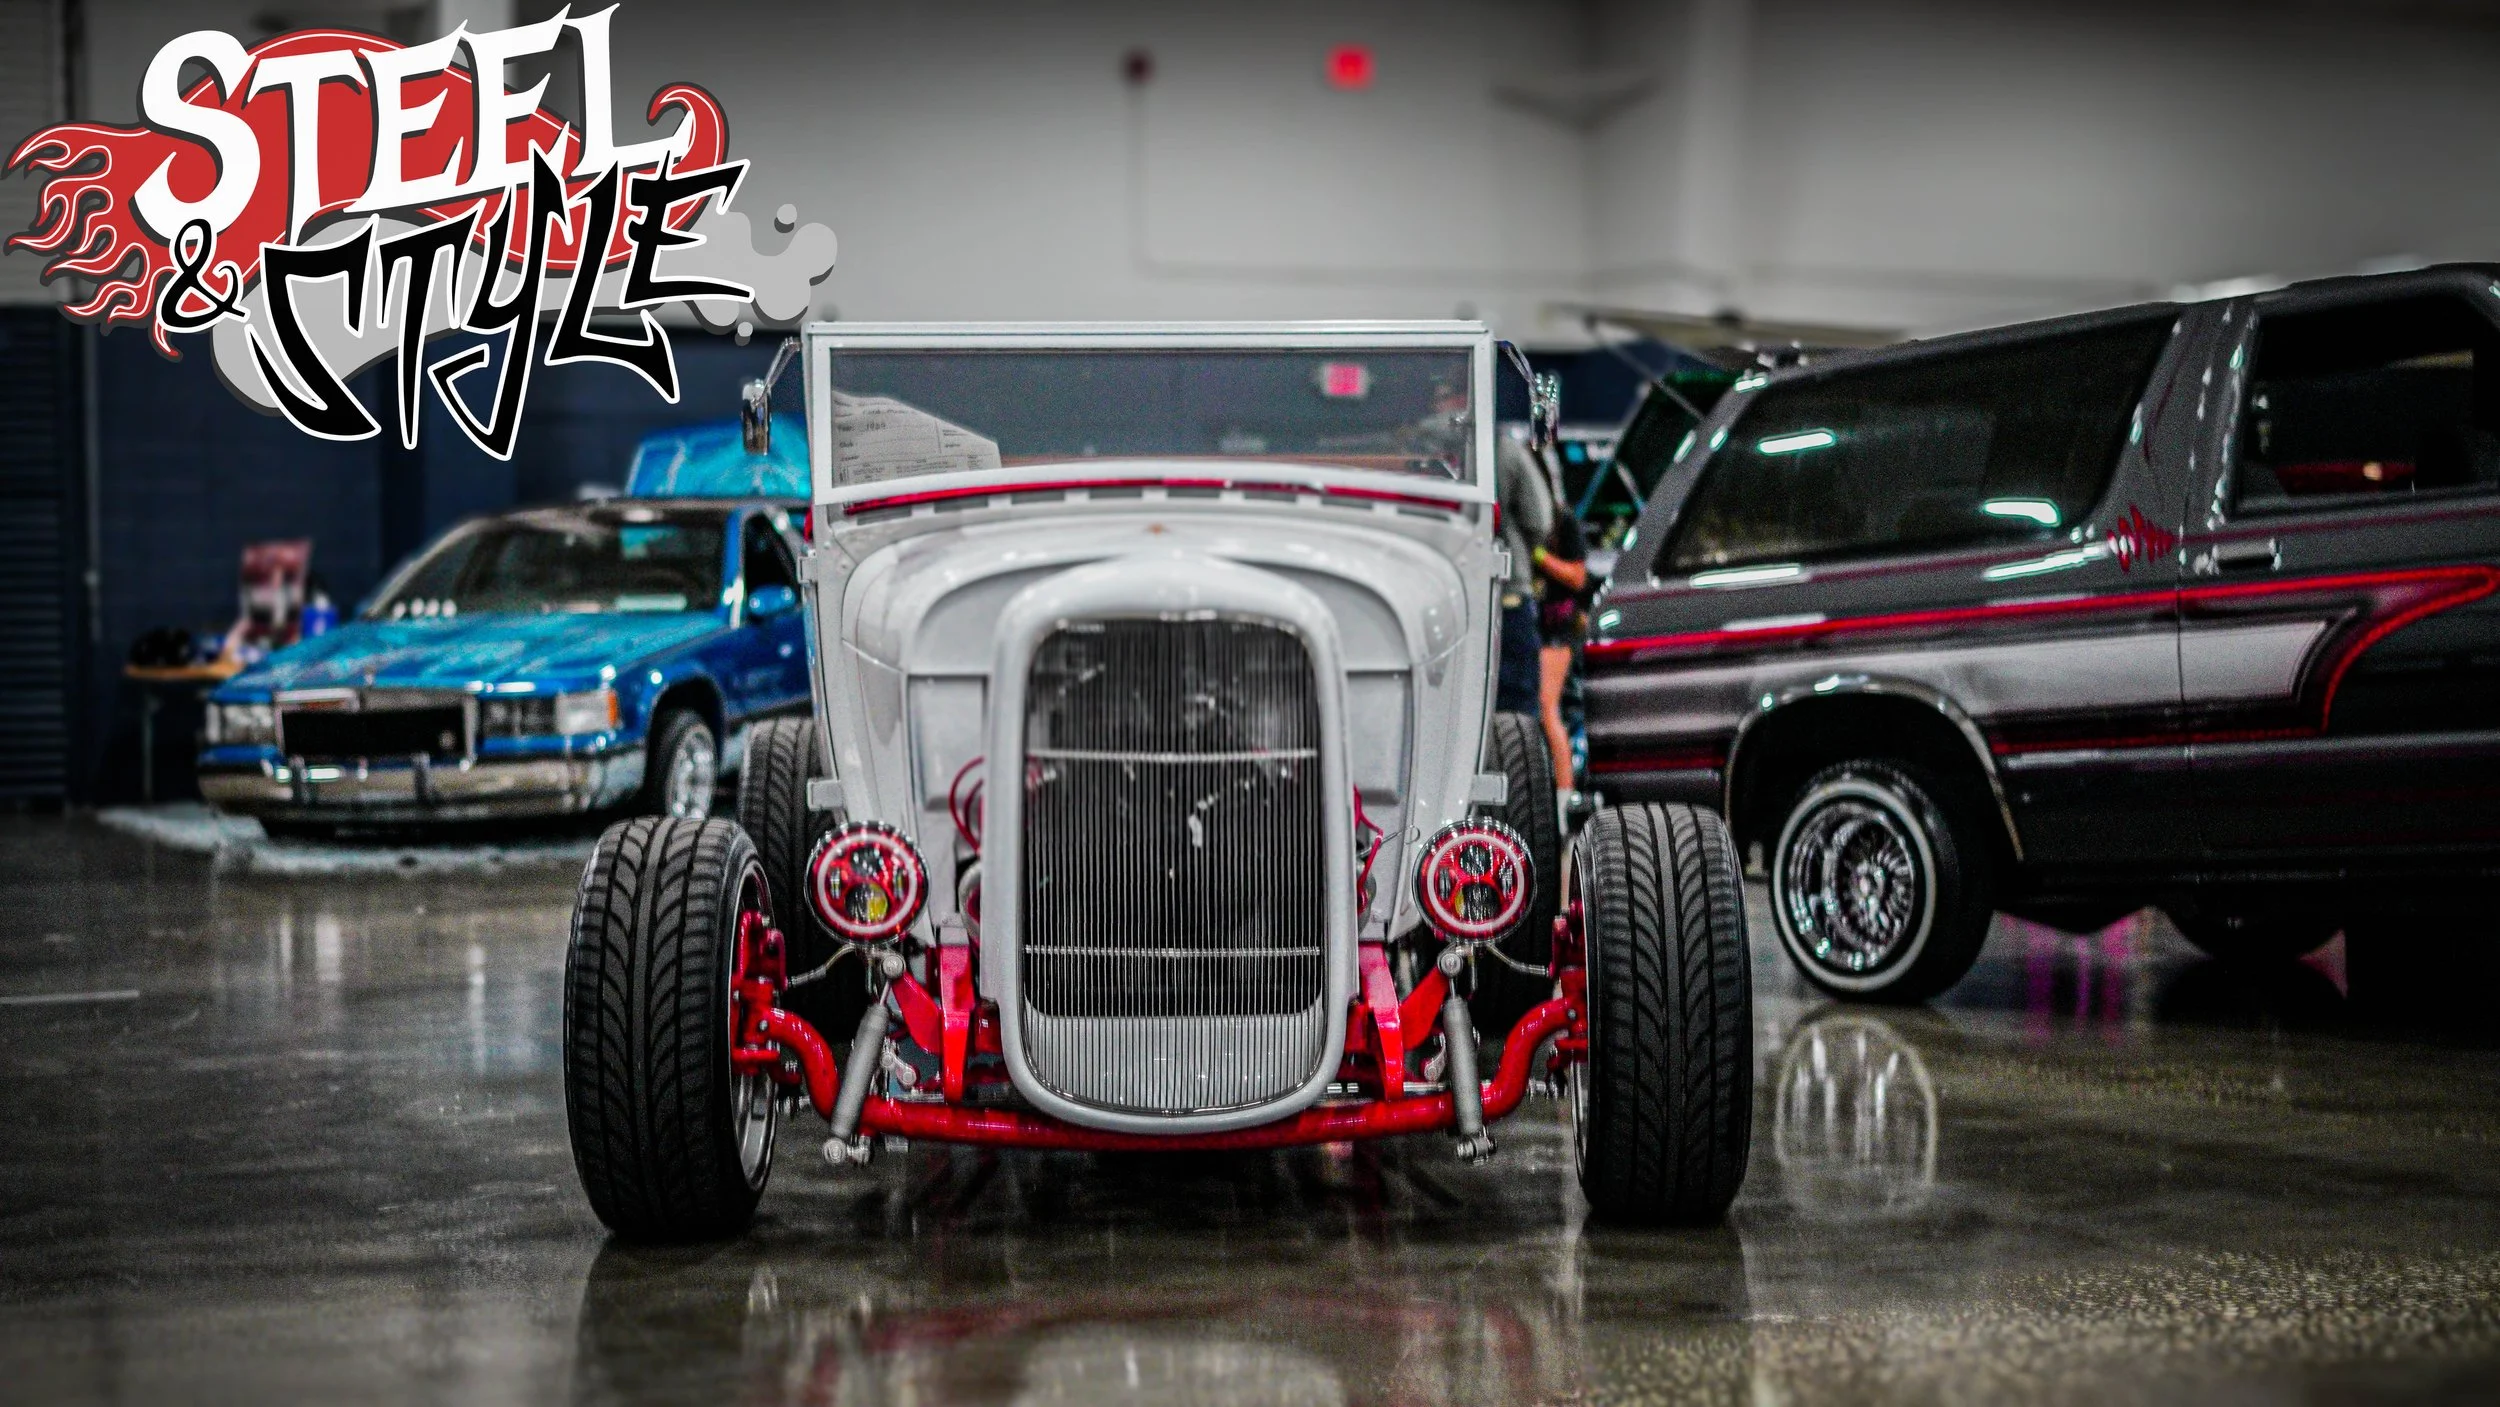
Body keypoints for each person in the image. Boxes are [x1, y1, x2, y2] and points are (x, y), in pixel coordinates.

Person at [1532, 494, 1591, 795]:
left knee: (1547, 706)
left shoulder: (1563, 521)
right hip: (1533, 626)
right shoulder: (1518, 523)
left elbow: (1578, 578)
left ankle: (1564, 797)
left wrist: (1539, 557)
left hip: (1560, 627)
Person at [1492, 435, 1554, 717]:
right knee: (1518, 703)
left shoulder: (1416, 440)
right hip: (1508, 589)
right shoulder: (1504, 447)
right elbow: (1539, 520)